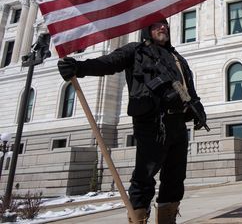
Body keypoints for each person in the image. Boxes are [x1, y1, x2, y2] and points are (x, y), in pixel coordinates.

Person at [57, 19, 206, 224]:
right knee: (144, 176)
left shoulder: (176, 57)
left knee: (175, 178)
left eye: (165, 25)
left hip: (178, 124)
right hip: (152, 123)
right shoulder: (135, 51)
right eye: (157, 25)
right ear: (147, 30)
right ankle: (138, 219)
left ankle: (167, 219)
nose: (162, 27)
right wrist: (78, 67)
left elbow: (189, 90)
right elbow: (108, 63)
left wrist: (199, 109)